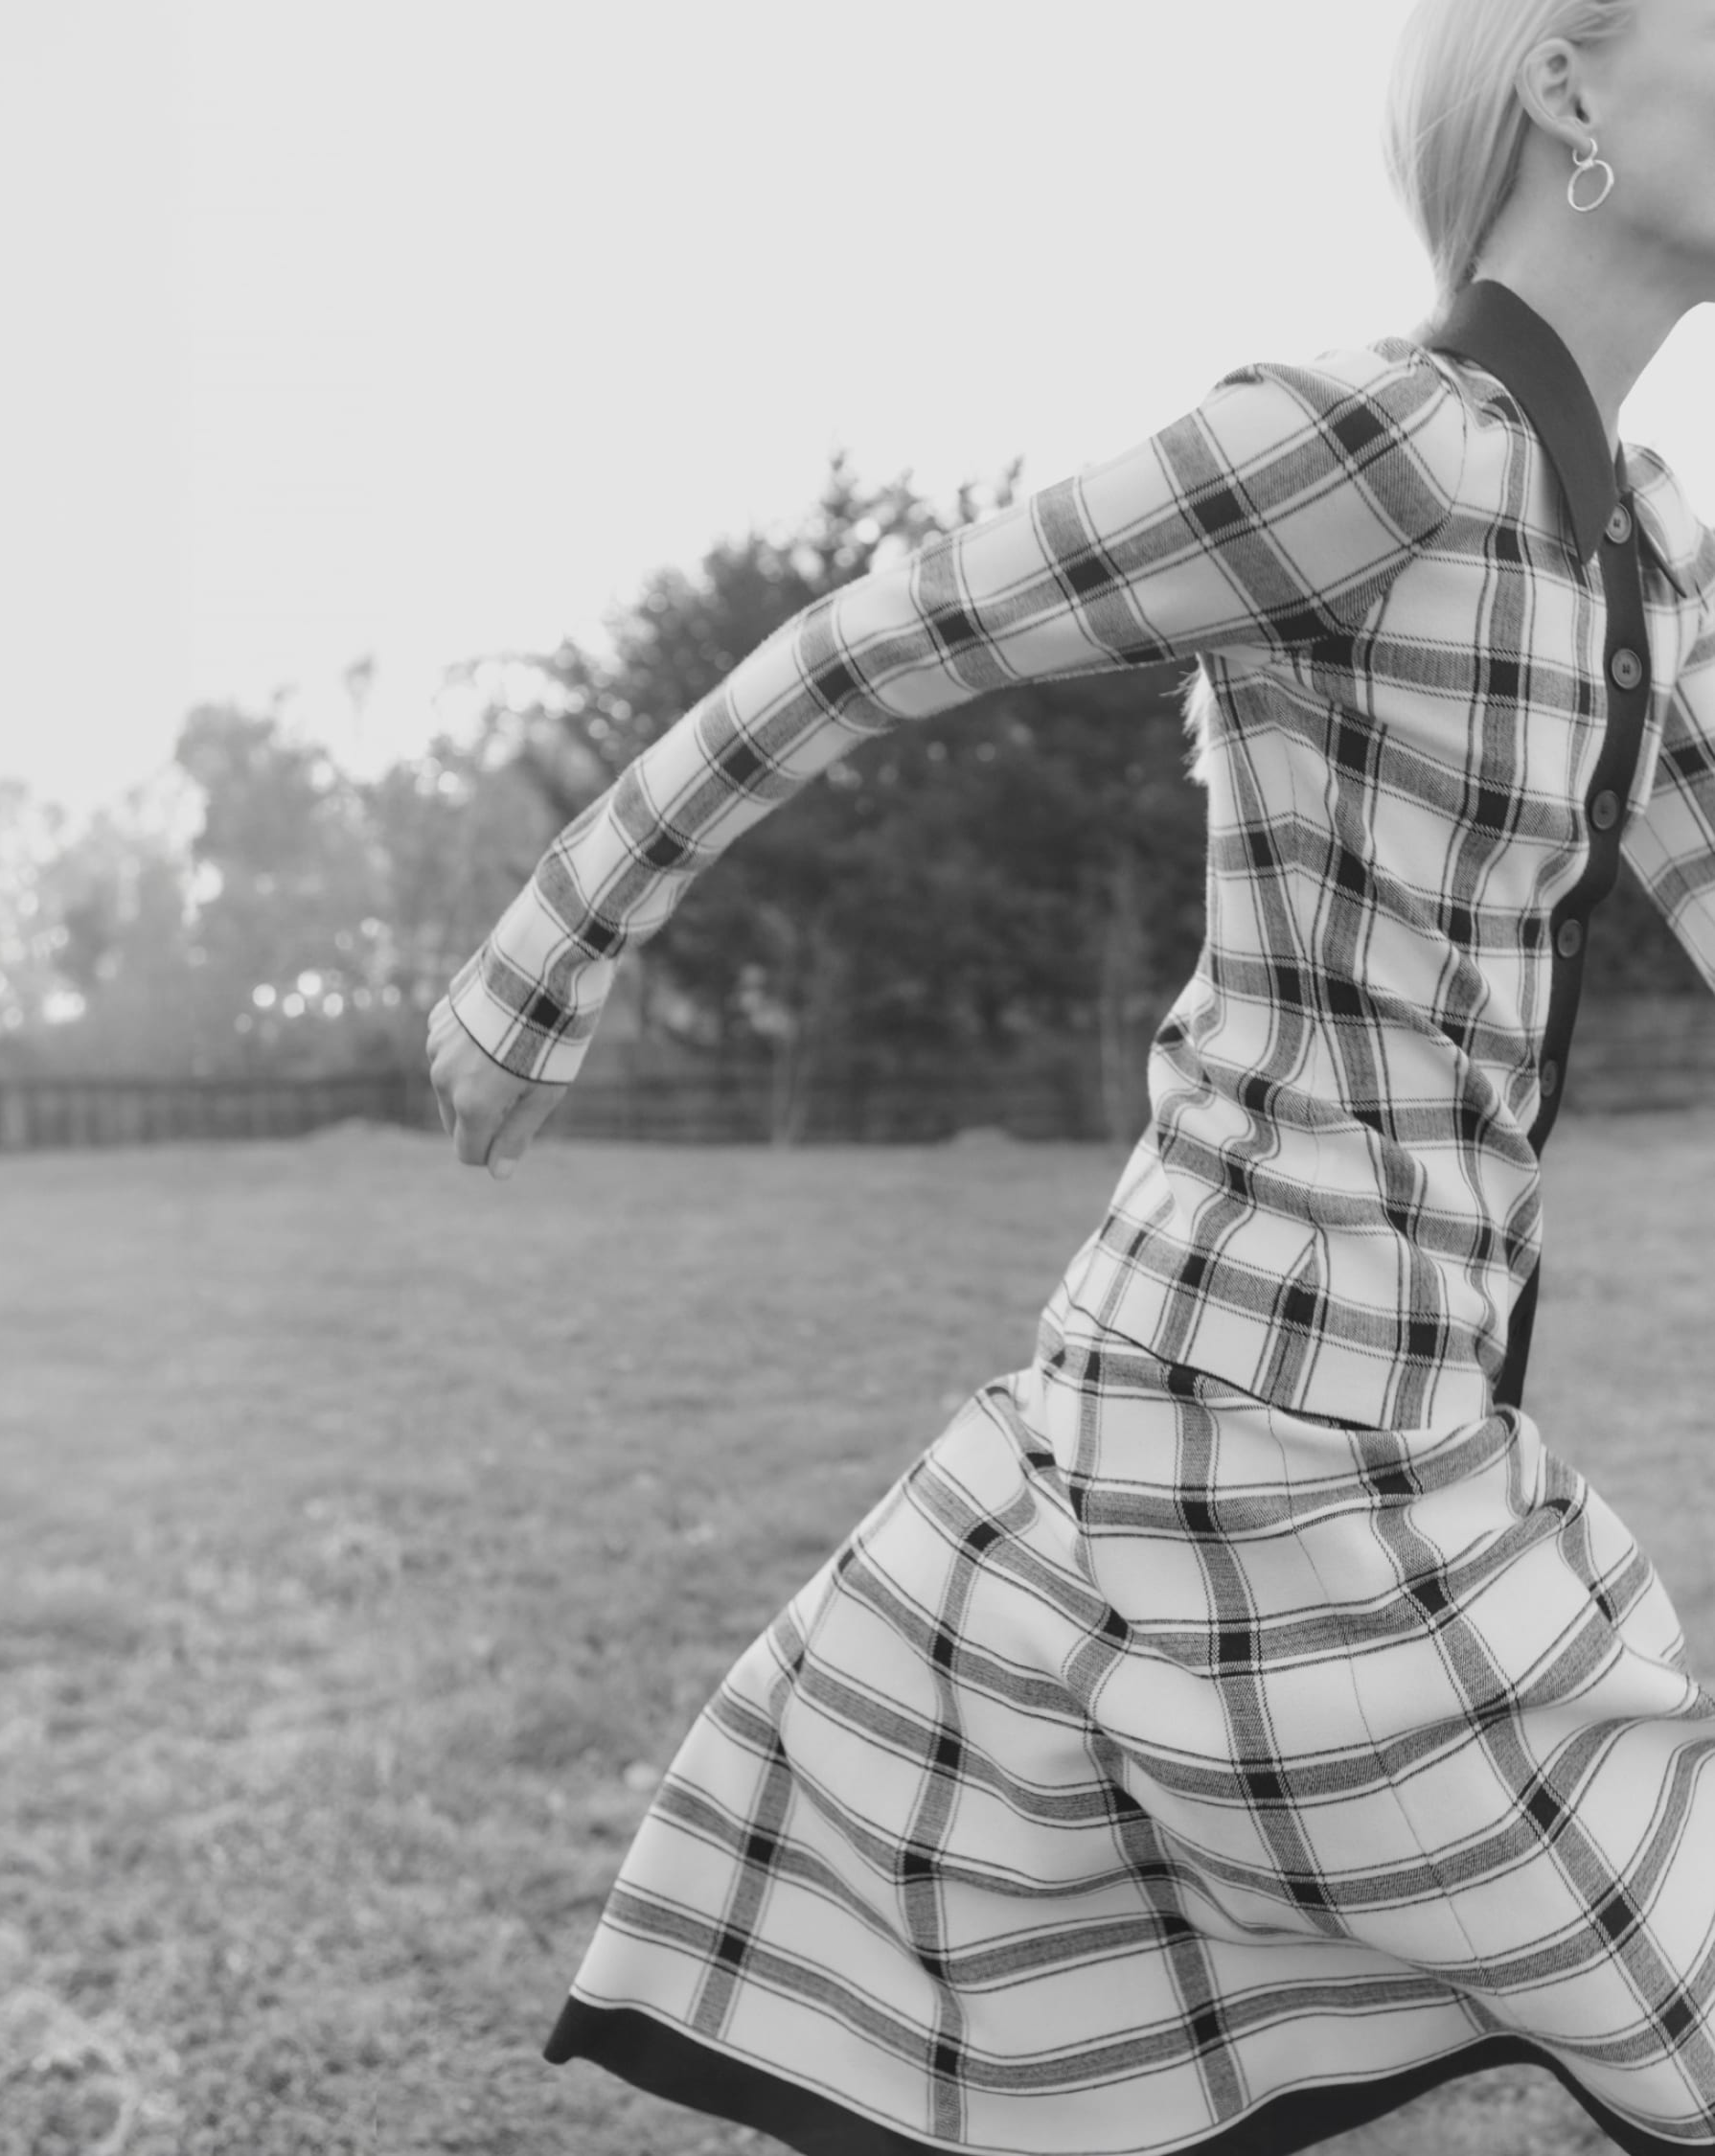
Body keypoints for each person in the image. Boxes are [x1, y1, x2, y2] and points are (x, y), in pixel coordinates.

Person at [423, 1, 1715, 2149]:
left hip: (1423, 1427)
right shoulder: (1376, 446)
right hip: (1258, 1446)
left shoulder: (1645, 545)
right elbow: (888, 632)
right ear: (1570, 93)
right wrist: (544, 955)